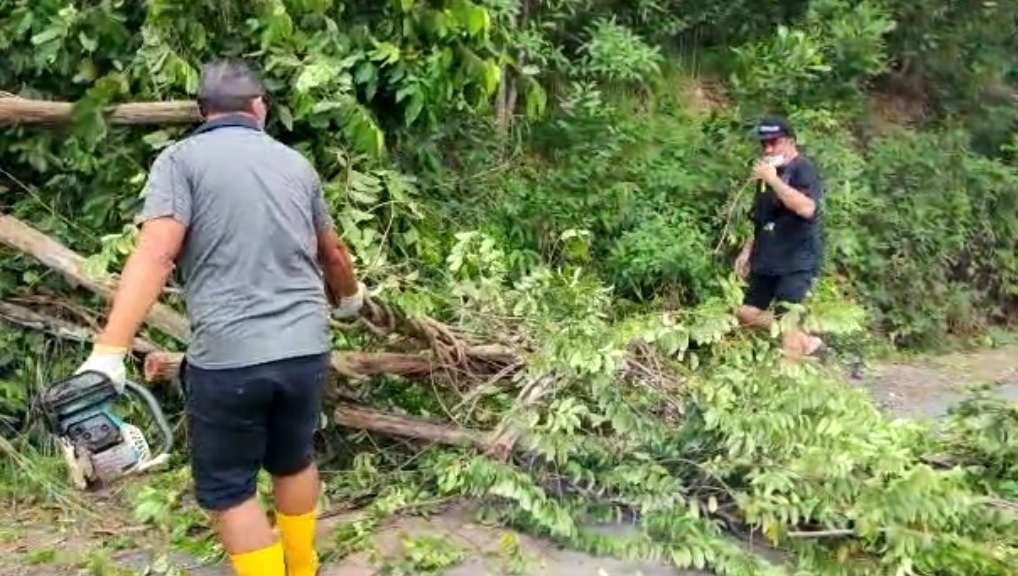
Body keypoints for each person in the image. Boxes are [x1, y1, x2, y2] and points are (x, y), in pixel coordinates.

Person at [73, 58, 365, 576]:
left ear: (204, 112)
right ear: (259, 108)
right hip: (305, 352)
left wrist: (110, 351)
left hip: (230, 361)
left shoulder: (179, 161)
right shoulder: (295, 164)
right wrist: (349, 302)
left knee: (230, 487)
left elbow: (157, 253)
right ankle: (302, 566)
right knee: (294, 460)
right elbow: (333, 254)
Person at [734, 117, 825, 358]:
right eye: (764, 144)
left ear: (790, 142)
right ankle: (807, 342)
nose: (768, 149)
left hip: (796, 260)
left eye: (774, 143)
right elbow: (762, 219)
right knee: (746, 313)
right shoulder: (767, 176)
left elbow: (806, 208)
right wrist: (747, 250)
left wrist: (773, 180)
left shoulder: (802, 169)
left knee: (788, 319)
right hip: (767, 260)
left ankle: (790, 381)